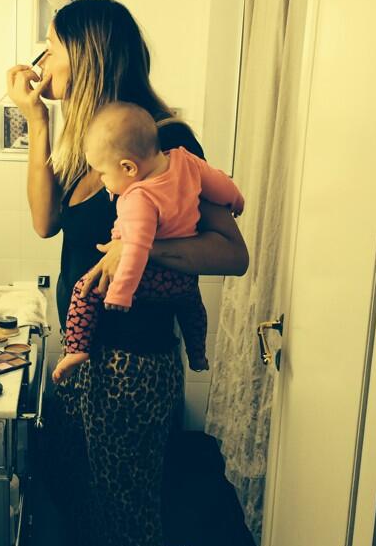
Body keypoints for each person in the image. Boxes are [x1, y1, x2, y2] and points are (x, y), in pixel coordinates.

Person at [6, 0, 248, 546]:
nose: (43, 58)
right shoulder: (91, 140)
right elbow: (45, 222)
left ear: (87, 54)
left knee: (132, 514)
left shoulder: (166, 142)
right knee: (65, 469)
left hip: (135, 363)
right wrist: (37, 121)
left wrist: (136, 251)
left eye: (53, 46)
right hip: (84, 351)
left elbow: (230, 252)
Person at [52, 101, 245, 384]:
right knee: (191, 306)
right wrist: (236, 199)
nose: (103, 182)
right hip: (182, 279)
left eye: (103, 173)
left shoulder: (139, 198)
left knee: (85, 289)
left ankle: (76, 349)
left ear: (128, 167)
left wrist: (120, 292)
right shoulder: (184, 160)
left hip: (150, 280)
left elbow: (136, 250)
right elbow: (218, 182)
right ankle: (197, 353)